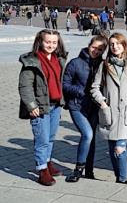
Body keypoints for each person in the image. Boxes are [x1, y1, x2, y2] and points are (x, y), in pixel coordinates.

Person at [91, 33, 127, 184]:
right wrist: (102, 103)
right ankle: (118, 177)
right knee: (112, 149)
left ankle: (122, 180)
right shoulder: (105, 65)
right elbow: (95, 87)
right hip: (110, 114)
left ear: (124, 45)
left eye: (118, 43)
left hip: (126, 114)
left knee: (119, 149)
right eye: (112, 44)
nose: (115, 47)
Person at [18, 29, 68, 186]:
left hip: (55, 105)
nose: (51, 45)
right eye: (48, 42)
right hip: (40, 107)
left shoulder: (59, 59)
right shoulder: (32, 61)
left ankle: (47, 162)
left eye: (54, 42)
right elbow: (25, 86)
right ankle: (42, 170)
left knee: (51, 137)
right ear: (40, 42)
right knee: (42, 139)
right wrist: (31, 105)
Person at [63, 35, 108, 182]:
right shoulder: (75, 63)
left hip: (93, 107)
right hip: (77, 106)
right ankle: (78, 170)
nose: (96, 51)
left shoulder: (103, 64)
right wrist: (80, 91)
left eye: (100, 49)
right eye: (93, 47)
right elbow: (65, 85)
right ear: (89, 45)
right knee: (87, 134)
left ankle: (89, 172)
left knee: (91, 139)